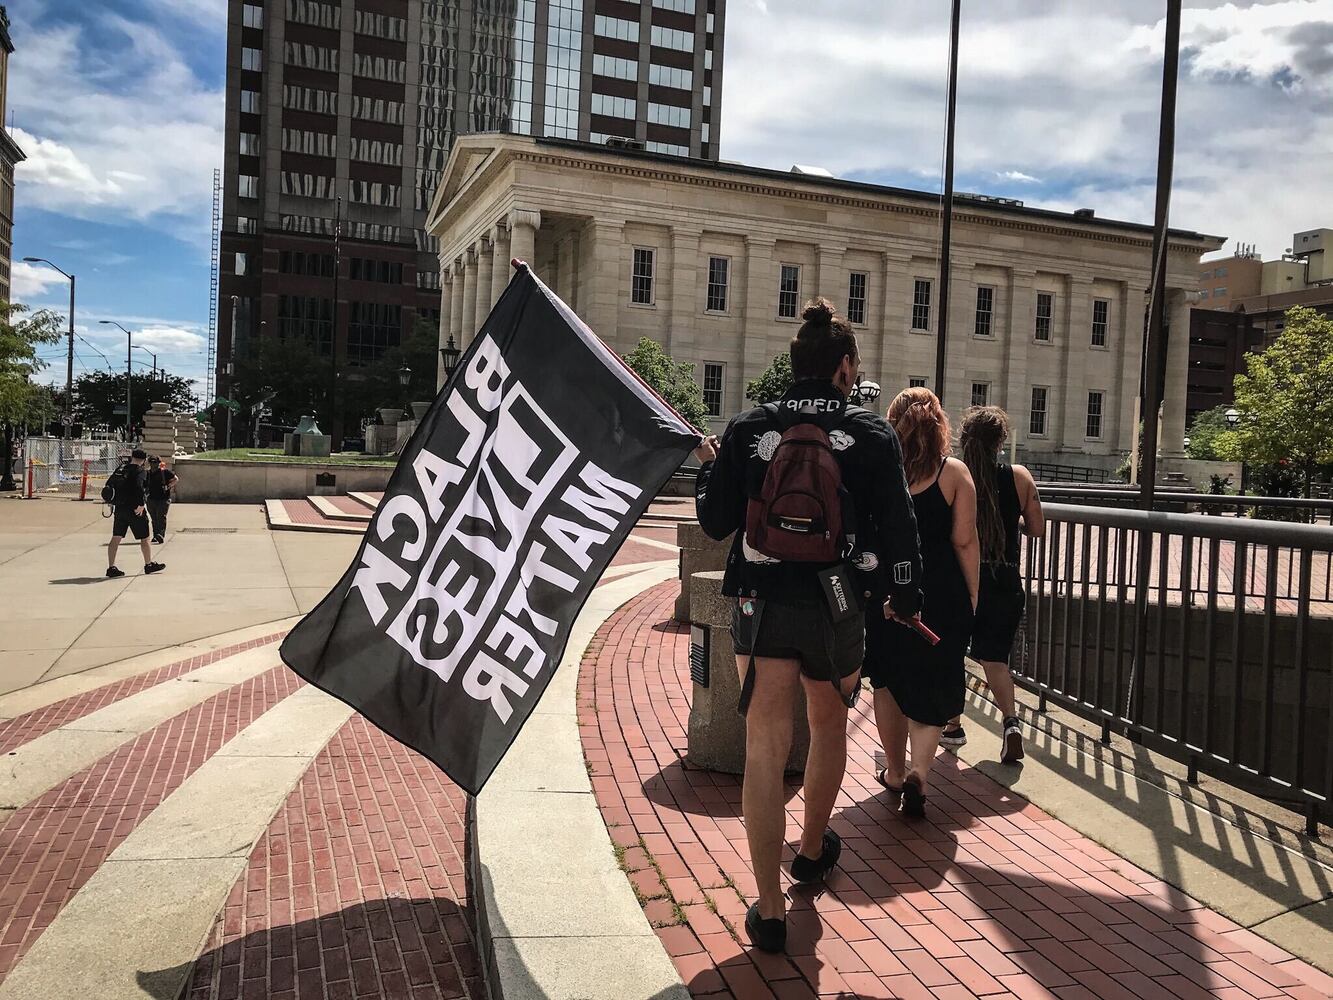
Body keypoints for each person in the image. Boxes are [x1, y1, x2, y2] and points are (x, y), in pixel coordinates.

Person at [694, 298, 923, 954]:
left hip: (757, 599)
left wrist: (711, 467)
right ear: (845, 369)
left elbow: (715, 523)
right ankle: (813, 848)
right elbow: (900, 527)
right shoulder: (870, 435)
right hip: (838, 602)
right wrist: (903, 599)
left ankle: (767, 909)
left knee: (763, 747)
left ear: (793, 364)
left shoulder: (748, 428)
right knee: (826, 727)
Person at [865, 388, 978, 818]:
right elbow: (965, 541)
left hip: (891, 592)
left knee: (888, 683)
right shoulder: (954, 474)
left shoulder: (882, 472)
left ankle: (894, 771)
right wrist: (972, 595)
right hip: (942, 594)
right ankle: (920, 774)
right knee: (931, 686)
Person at [939, 406, 1045, 763]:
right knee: (995, 658)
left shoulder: (956, 476)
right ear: (1000, 441)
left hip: (964, 577)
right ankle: (1012, 723)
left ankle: (952, 726)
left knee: (953, 651)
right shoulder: (1019, 477)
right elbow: (1037, 528)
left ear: (964, 440)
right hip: (1006, 579)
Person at [107, 449, 166, 578]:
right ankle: (148, 564)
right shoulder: (140, 471)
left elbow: (109, 485)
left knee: (116, 537)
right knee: (145, 538)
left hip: (120, 509)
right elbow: (140, 487)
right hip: (135, 509)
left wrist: (112, 502)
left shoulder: (120, 469)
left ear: (132, 457)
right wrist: (140, 505)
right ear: (144, 461)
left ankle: (111, 567)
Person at [145, 455, 178, 544]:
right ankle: (155, 536)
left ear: (159, 463)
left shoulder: (164, 472)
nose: (153, 464)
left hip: (163, 499)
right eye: (151, 462)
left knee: (161, 517)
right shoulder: (147, 473)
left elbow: (176, 479)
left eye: (155, 462)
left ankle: (160, 535)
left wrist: (168, 486)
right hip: (151, 499)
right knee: (154, 518)